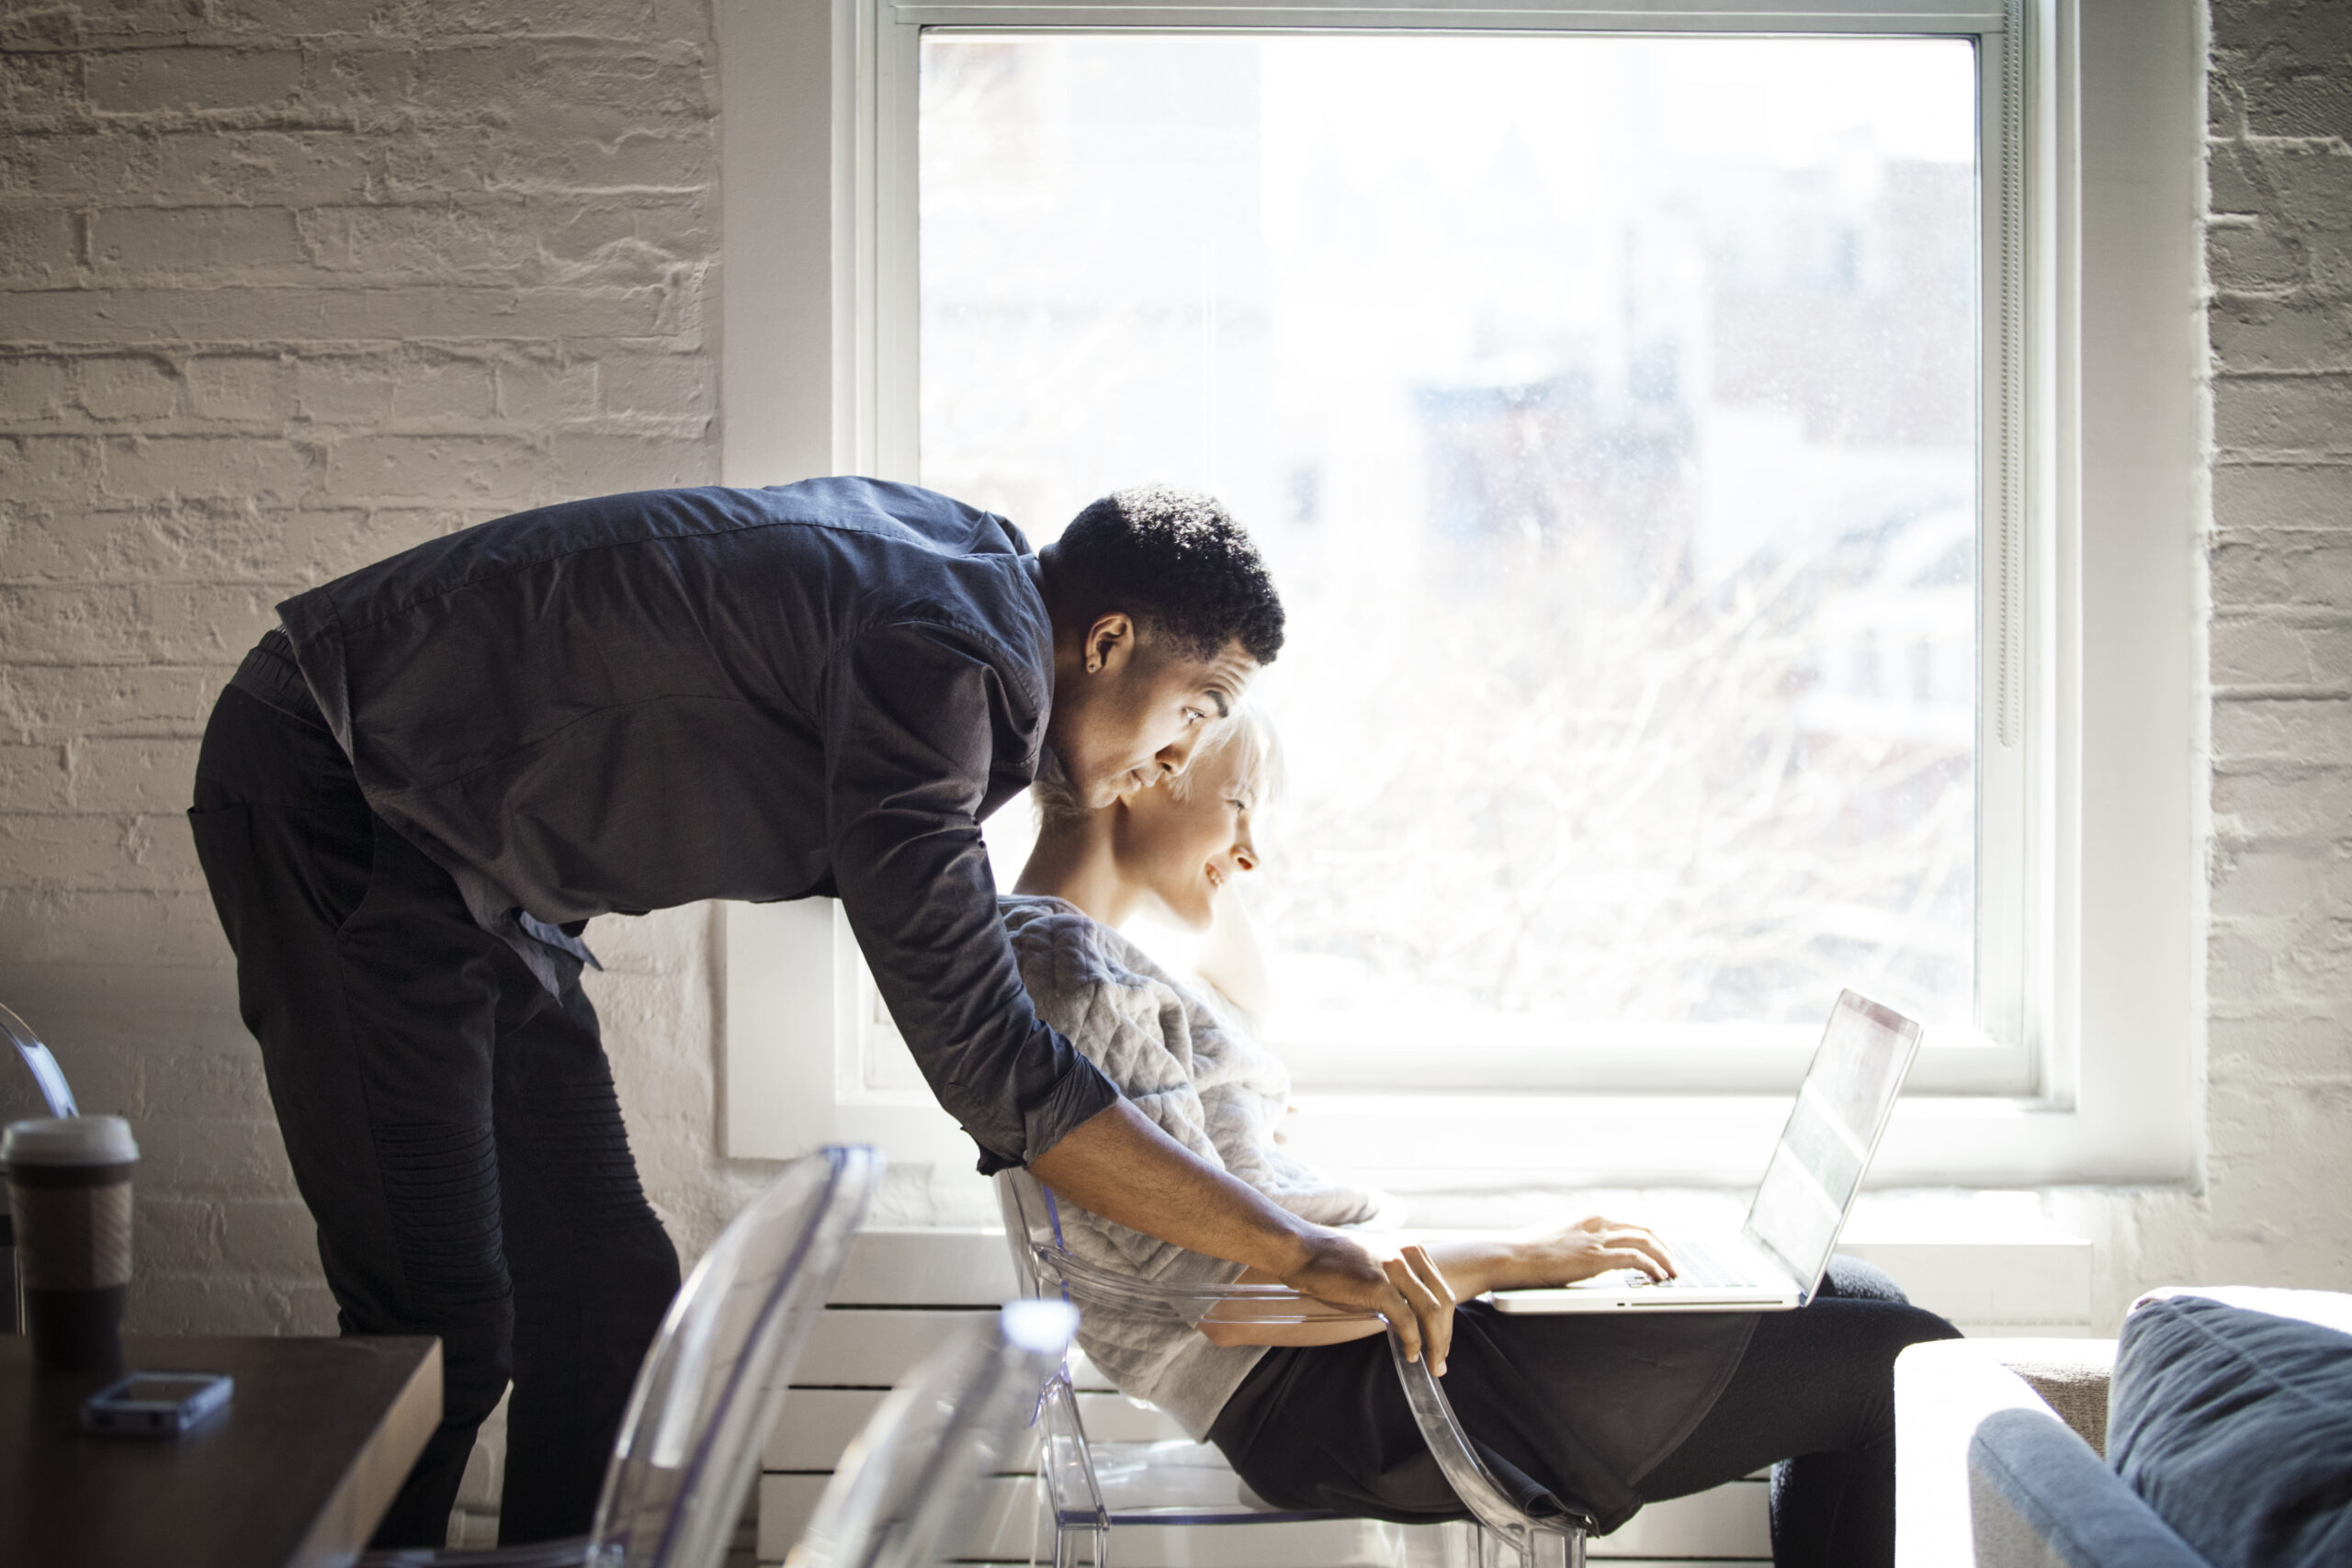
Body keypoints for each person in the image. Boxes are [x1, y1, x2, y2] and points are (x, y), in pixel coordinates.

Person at [187, 479, 1455, 1548]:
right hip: (343, 780)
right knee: (440, 1320)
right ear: (1110, 639)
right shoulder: (946, 658)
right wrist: (1290, 1243)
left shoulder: (965, 601)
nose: (1179, 757)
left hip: (475, 871)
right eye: (1193, 708)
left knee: (607, 1290)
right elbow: (994, 1061)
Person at [1000, 708, 1963, 1567]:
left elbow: (1241, 1014)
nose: (1252, 849)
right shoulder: (1079, 977)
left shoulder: (1089, 958)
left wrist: (1196, 848)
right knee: (1901, 1359)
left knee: (1861, 1301)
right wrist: (1515, 1258)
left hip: (1362, 1349)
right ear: (1153, 768)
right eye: (1240, 803)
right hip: (1341, 1389)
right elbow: (1232, 1300)